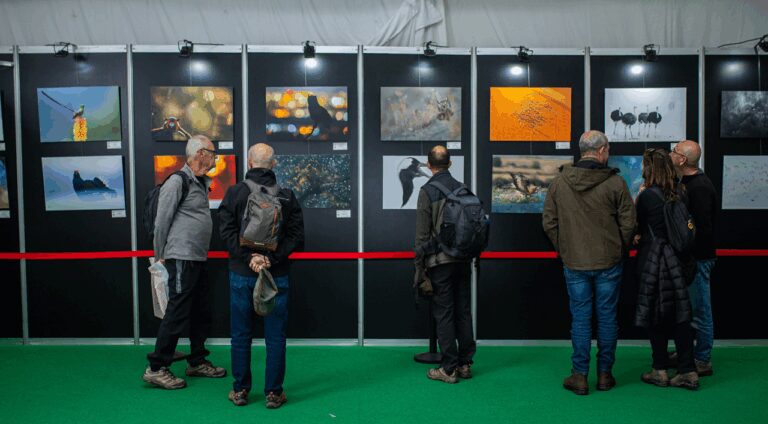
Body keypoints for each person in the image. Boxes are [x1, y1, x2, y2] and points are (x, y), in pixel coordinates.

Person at [543, 130, 636, 395]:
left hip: (575, 262)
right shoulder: (616, 183)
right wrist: (619, 248)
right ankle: (605, 375)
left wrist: (565, 249)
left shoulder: (560, 182)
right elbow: (629, 223)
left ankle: (580, 375)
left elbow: (549, 222)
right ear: (603, 150)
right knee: (607, 318)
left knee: (581, 319)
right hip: (609, 261)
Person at [219, 143, 304, 408]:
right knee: (275, 336)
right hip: (276, 275)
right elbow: (297, 238)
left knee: (241, 334)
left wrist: (249, 258)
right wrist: (271, 259)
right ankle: (274, 393)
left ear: (249, 163)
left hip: (241, 274)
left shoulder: (235, 193)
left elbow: (226, 233)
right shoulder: (287, 196)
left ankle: (240, 391)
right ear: (273, 164)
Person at [143, 135, 226, 389]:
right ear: (200, 153)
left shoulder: (198, 182)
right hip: (180, 257)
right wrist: (160, 256)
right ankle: (156, 368)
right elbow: (161, 222)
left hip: (197, 258)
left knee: (201, 310)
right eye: (212, 152)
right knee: (177, 311)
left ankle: (197, 361)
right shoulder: (177, 181)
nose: (215, 158)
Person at [634, 148, 699, 390]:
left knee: (655, 314)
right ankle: (687, 371)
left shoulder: (647, 196)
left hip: (654, 260)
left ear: (648, 168)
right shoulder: (680, 191)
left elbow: (637, 227)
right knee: (681, 315)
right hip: (679, 260)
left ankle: (659, 369)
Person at [414, 145, 475, 384]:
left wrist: (419, 269)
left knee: (445, 313)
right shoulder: (463, 188)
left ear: (429, 165)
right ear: (450, 164)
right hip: (463, 259)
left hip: (440, 262)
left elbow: (422, 236)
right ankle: (464, 364)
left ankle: (448, 369)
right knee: (463, 311)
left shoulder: (427, 191)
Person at [669, 140, 717, 376]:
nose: (671, 153)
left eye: (675, 151)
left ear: (682, 160)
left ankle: (702, 359)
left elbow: (702, 228)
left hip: (698, 259)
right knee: (689, 309)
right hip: (690, 258)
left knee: (701, 310)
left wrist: (687, 252)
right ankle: (688, 353)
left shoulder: (699, 187)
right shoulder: (686, 182)